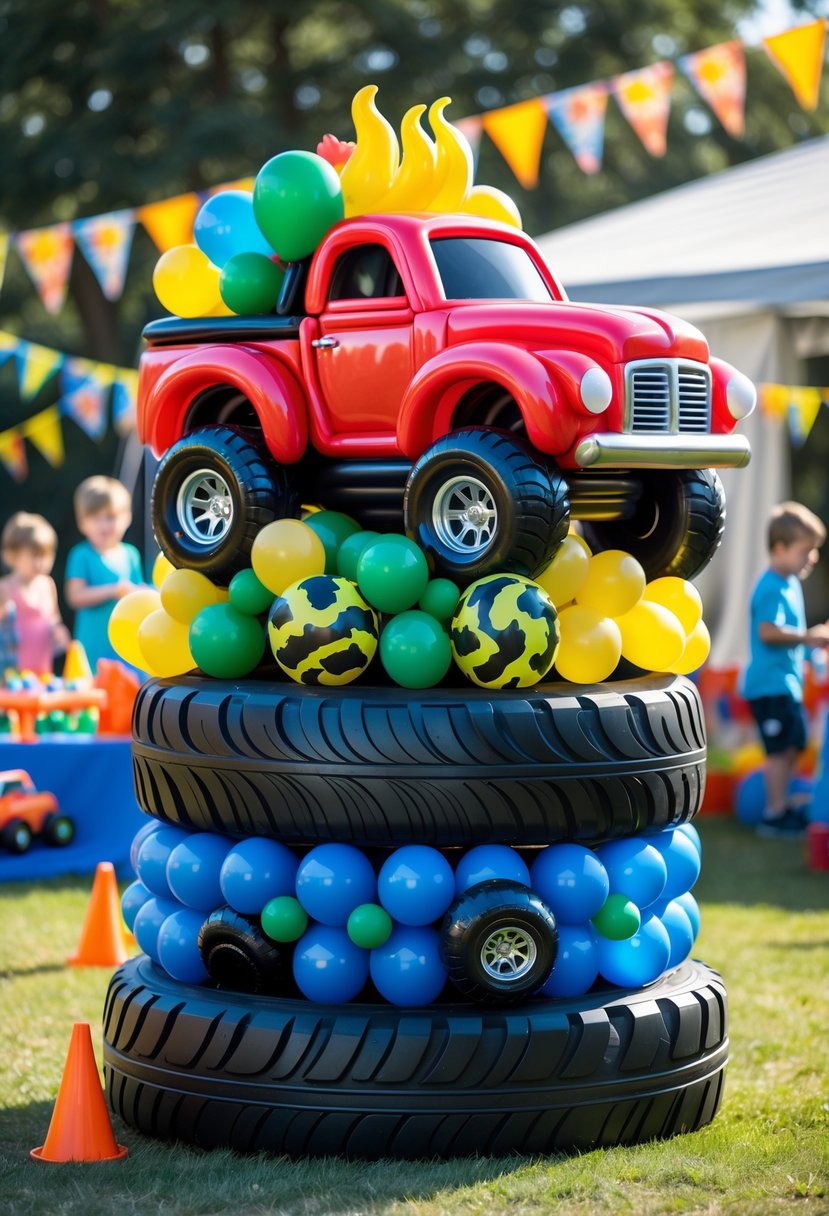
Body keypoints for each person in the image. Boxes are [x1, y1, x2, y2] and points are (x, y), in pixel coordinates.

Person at [741, 500, 829, 837]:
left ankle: (783, 806)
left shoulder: (790, 583)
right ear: (780, 548)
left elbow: (793, 629)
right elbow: (768, 631)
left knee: (794, 744)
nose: (813, 557)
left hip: (785, 684)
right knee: (779, 751)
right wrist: (808, 638)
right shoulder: (772, 586)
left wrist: (811, 655)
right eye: (806, 550)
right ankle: (773, 814)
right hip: (769, 686)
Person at [65, 476, 144, 673]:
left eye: (110, 517)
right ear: (82, 523)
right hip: (92, 649)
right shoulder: (81, 554)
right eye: (95, 518)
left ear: (127, 517)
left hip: (125, 646)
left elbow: (140, 594)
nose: (104, 525)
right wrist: (114, 590)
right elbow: (75, 596)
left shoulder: (131, 554)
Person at [0, 512, 71, 676]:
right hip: (10, 675)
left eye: (46, 556)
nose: (41, 562)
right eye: (34, 556)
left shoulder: (48, 584)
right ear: (12, 555)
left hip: (42, 669)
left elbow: (53, 619)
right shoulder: (5, 588)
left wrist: (59, 632)